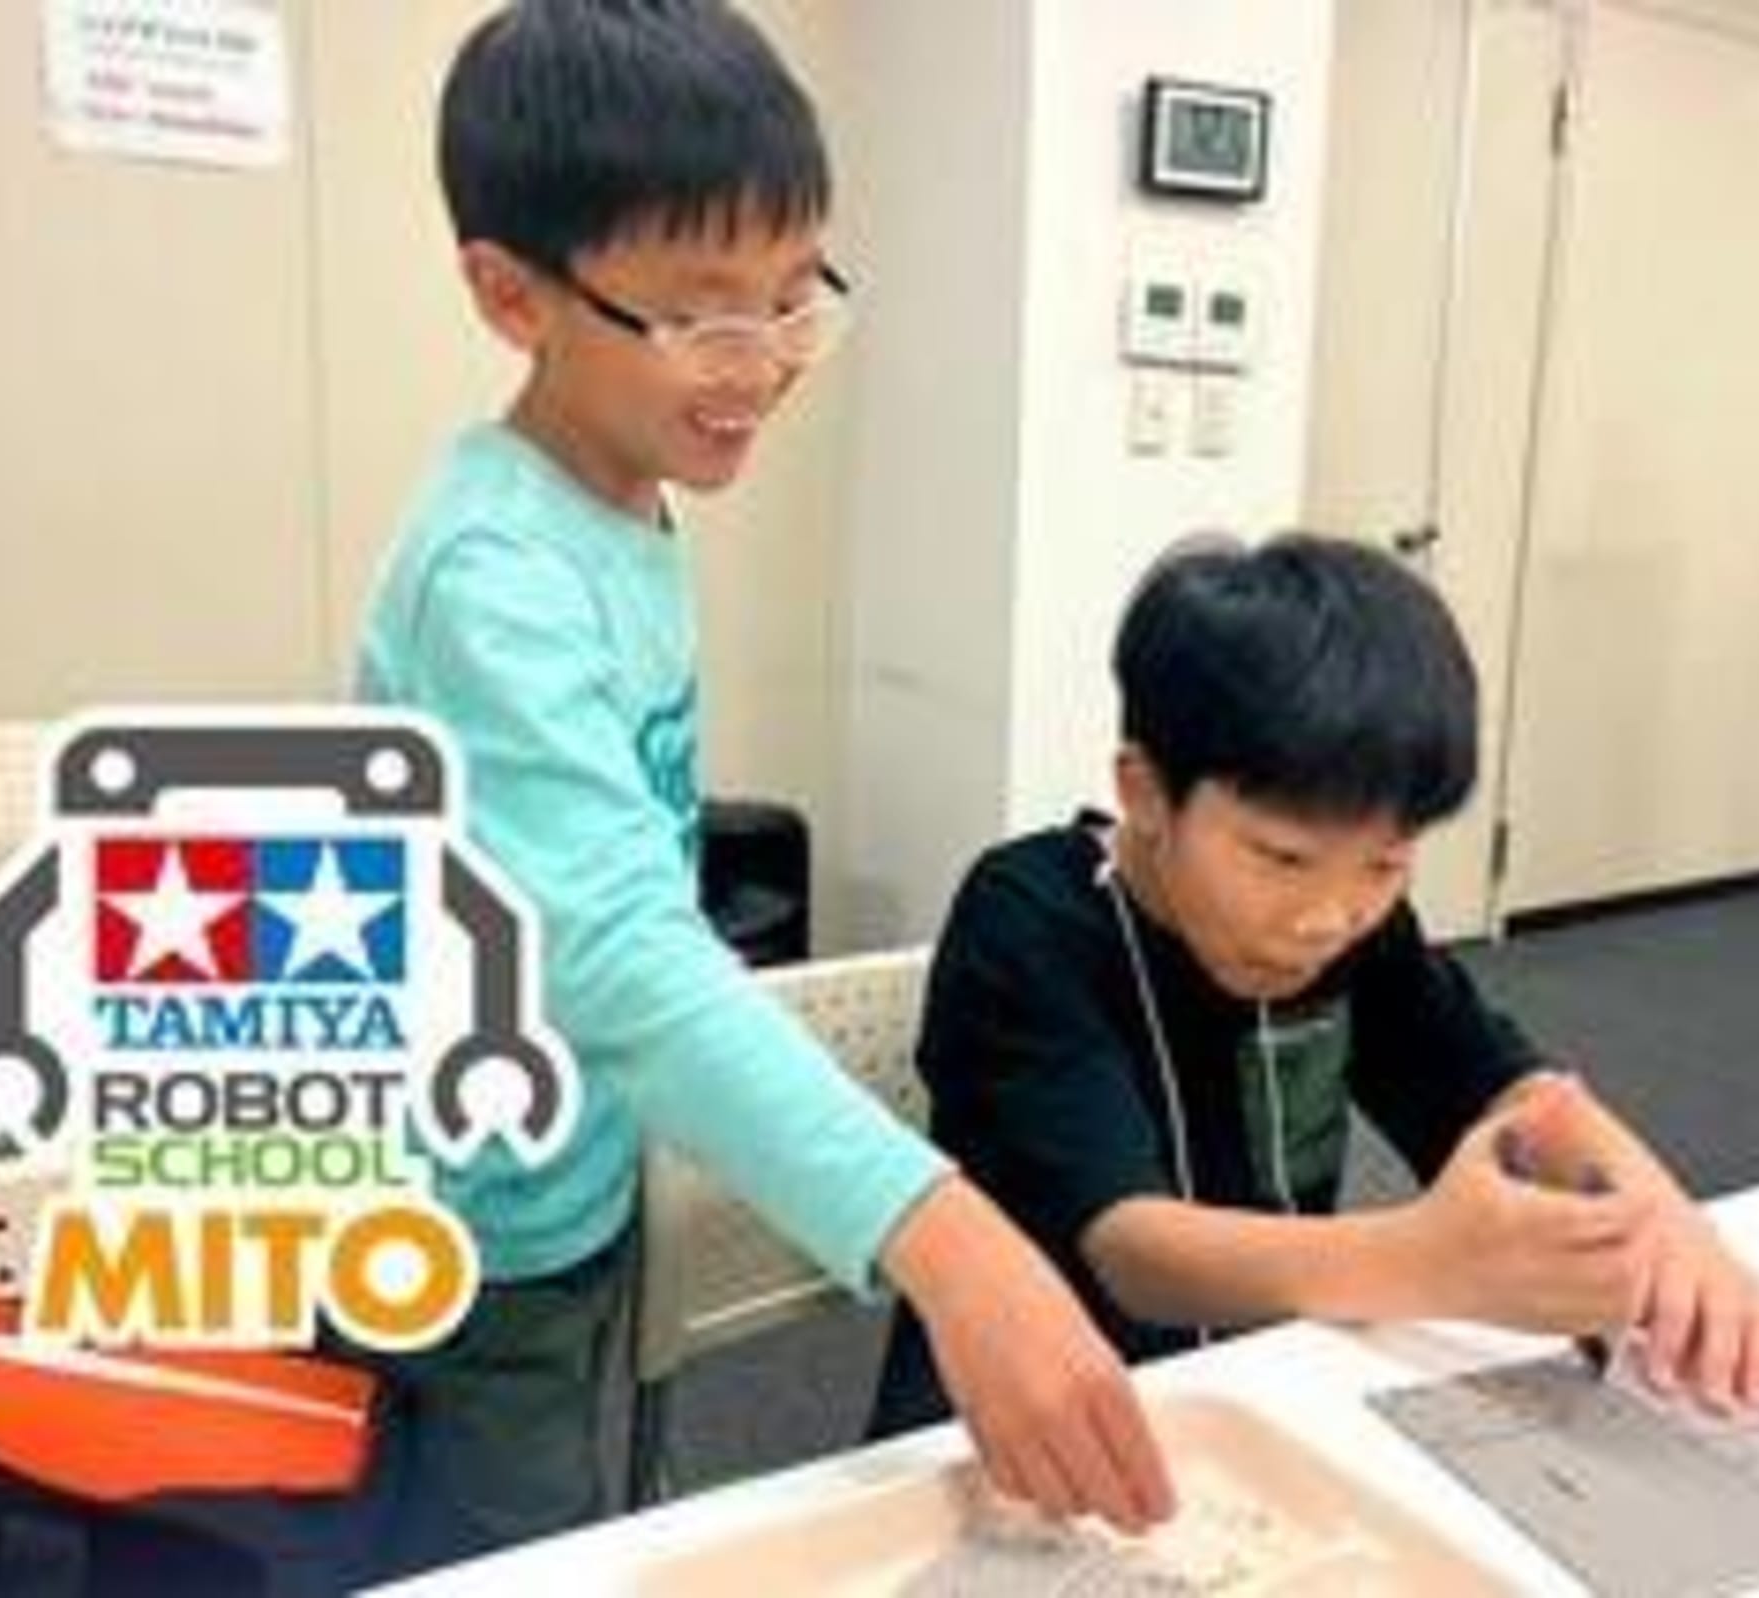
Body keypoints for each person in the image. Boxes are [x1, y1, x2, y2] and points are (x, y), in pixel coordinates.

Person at [353, 0, 1169, 1571]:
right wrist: (945, 1233)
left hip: (562, 1155)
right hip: (457, 1209)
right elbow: (612, 952)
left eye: (796, 298)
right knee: (502, 1546)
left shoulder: (620, 496)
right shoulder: (492, 576)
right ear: (513, 295)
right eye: (704, 316)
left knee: (565, 1493)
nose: (767, 364)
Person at [870, 533, 1759, 1436]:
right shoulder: (1030, 919)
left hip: (1263, 1382)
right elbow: (1132, 1251)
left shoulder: (1354, 924)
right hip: (1018, 1414)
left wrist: (1668, 1225)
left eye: (1386, 863)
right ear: (1146, 793)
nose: (1329, 917)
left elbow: (1510, 1095)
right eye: (1282, 858)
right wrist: (1429, 1262)